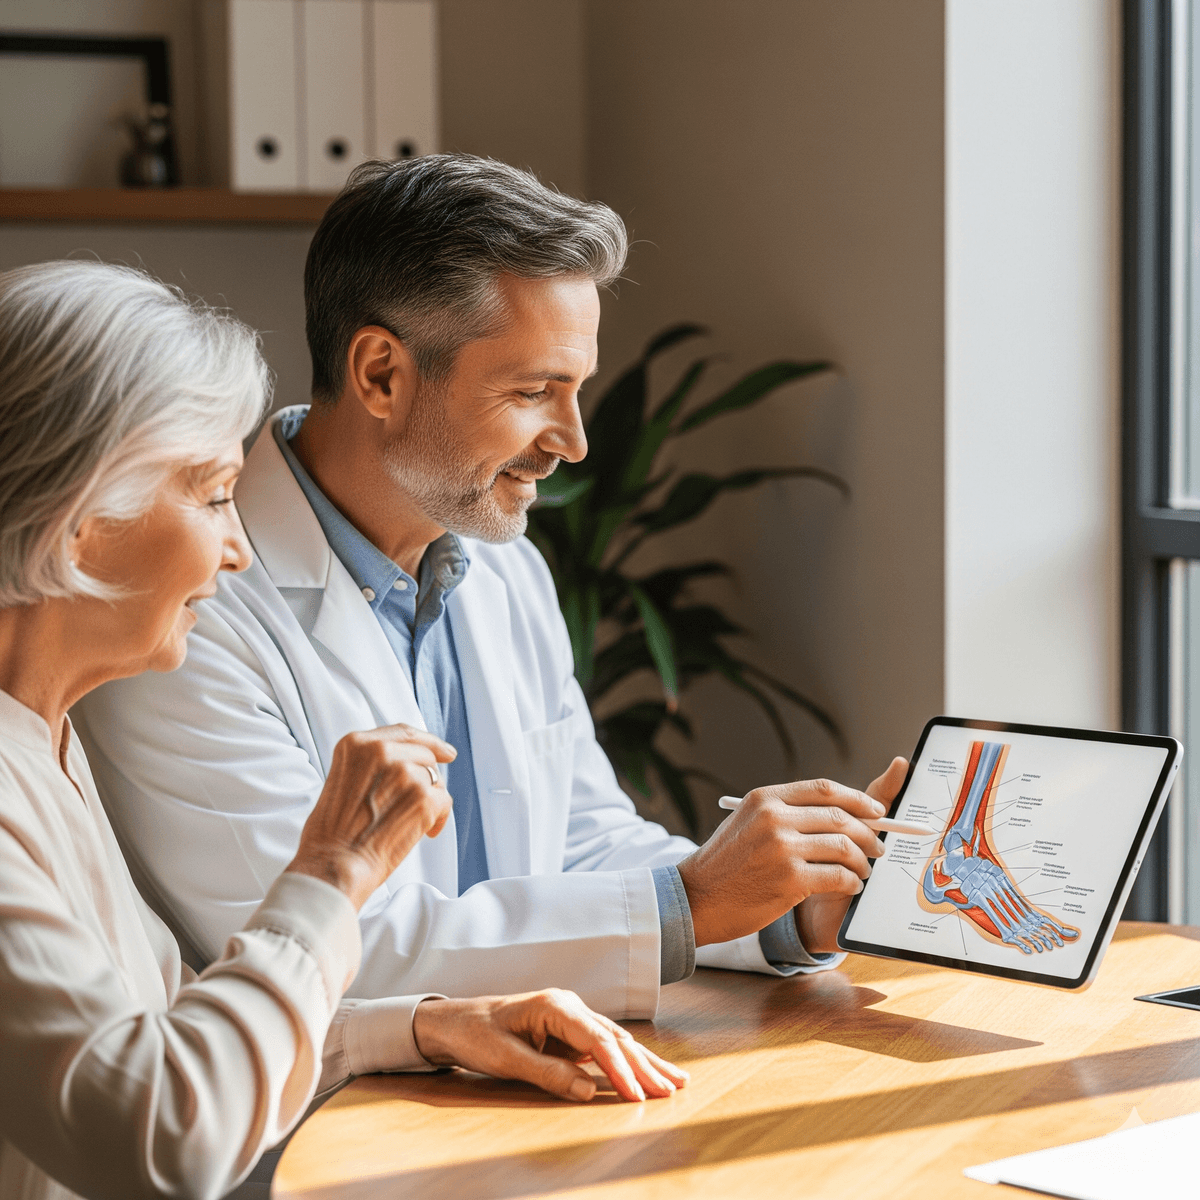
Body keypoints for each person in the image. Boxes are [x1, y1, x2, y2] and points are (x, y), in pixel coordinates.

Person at [75, 154, 909, 1020]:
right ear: (380, 375)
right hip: (320, 1127)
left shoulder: (501, 563)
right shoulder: (183, 612)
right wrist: (691, 902)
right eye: (533, 391)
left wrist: (780, 908)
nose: (574, 442)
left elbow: (582, 845)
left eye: (576, 390)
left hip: (513, 1084)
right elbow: (328, 948)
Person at [0, 262, 687, 1200]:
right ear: (78, 525)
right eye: (208, 496)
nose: (236, 544)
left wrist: (424, 1028)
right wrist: (332, 871)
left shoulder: (46, 745)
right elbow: (162, 1136)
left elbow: (165, 1034)